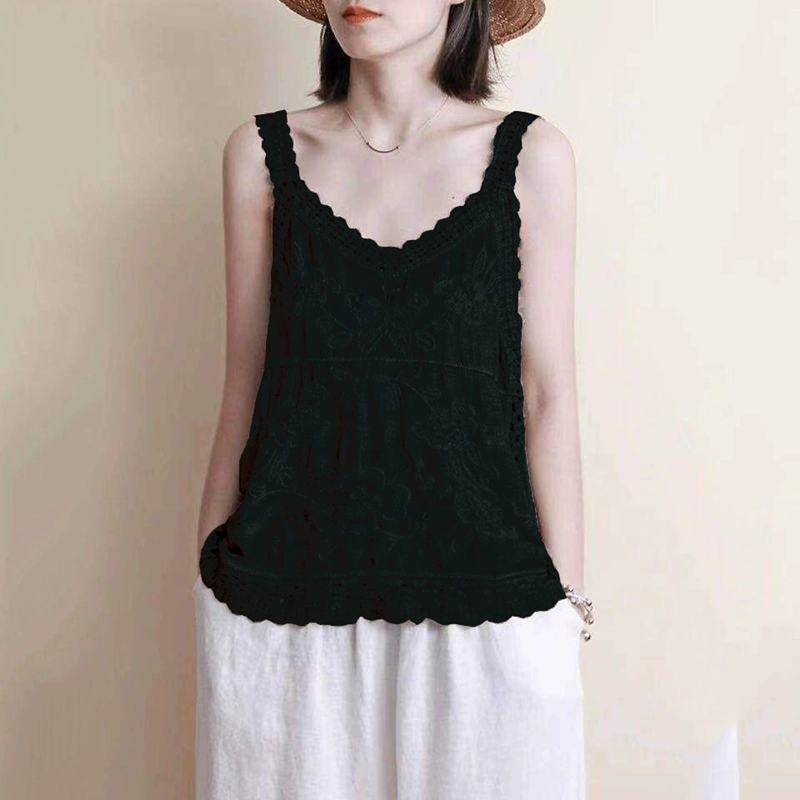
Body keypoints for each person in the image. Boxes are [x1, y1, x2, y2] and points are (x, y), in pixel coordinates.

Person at [193, 1, 594, 797]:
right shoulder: (260, 155)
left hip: (490, 612)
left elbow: (547, 393)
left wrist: (567, 610)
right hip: (281, 613)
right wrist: (205, 588)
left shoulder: (532, 156)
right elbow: (245, 384)